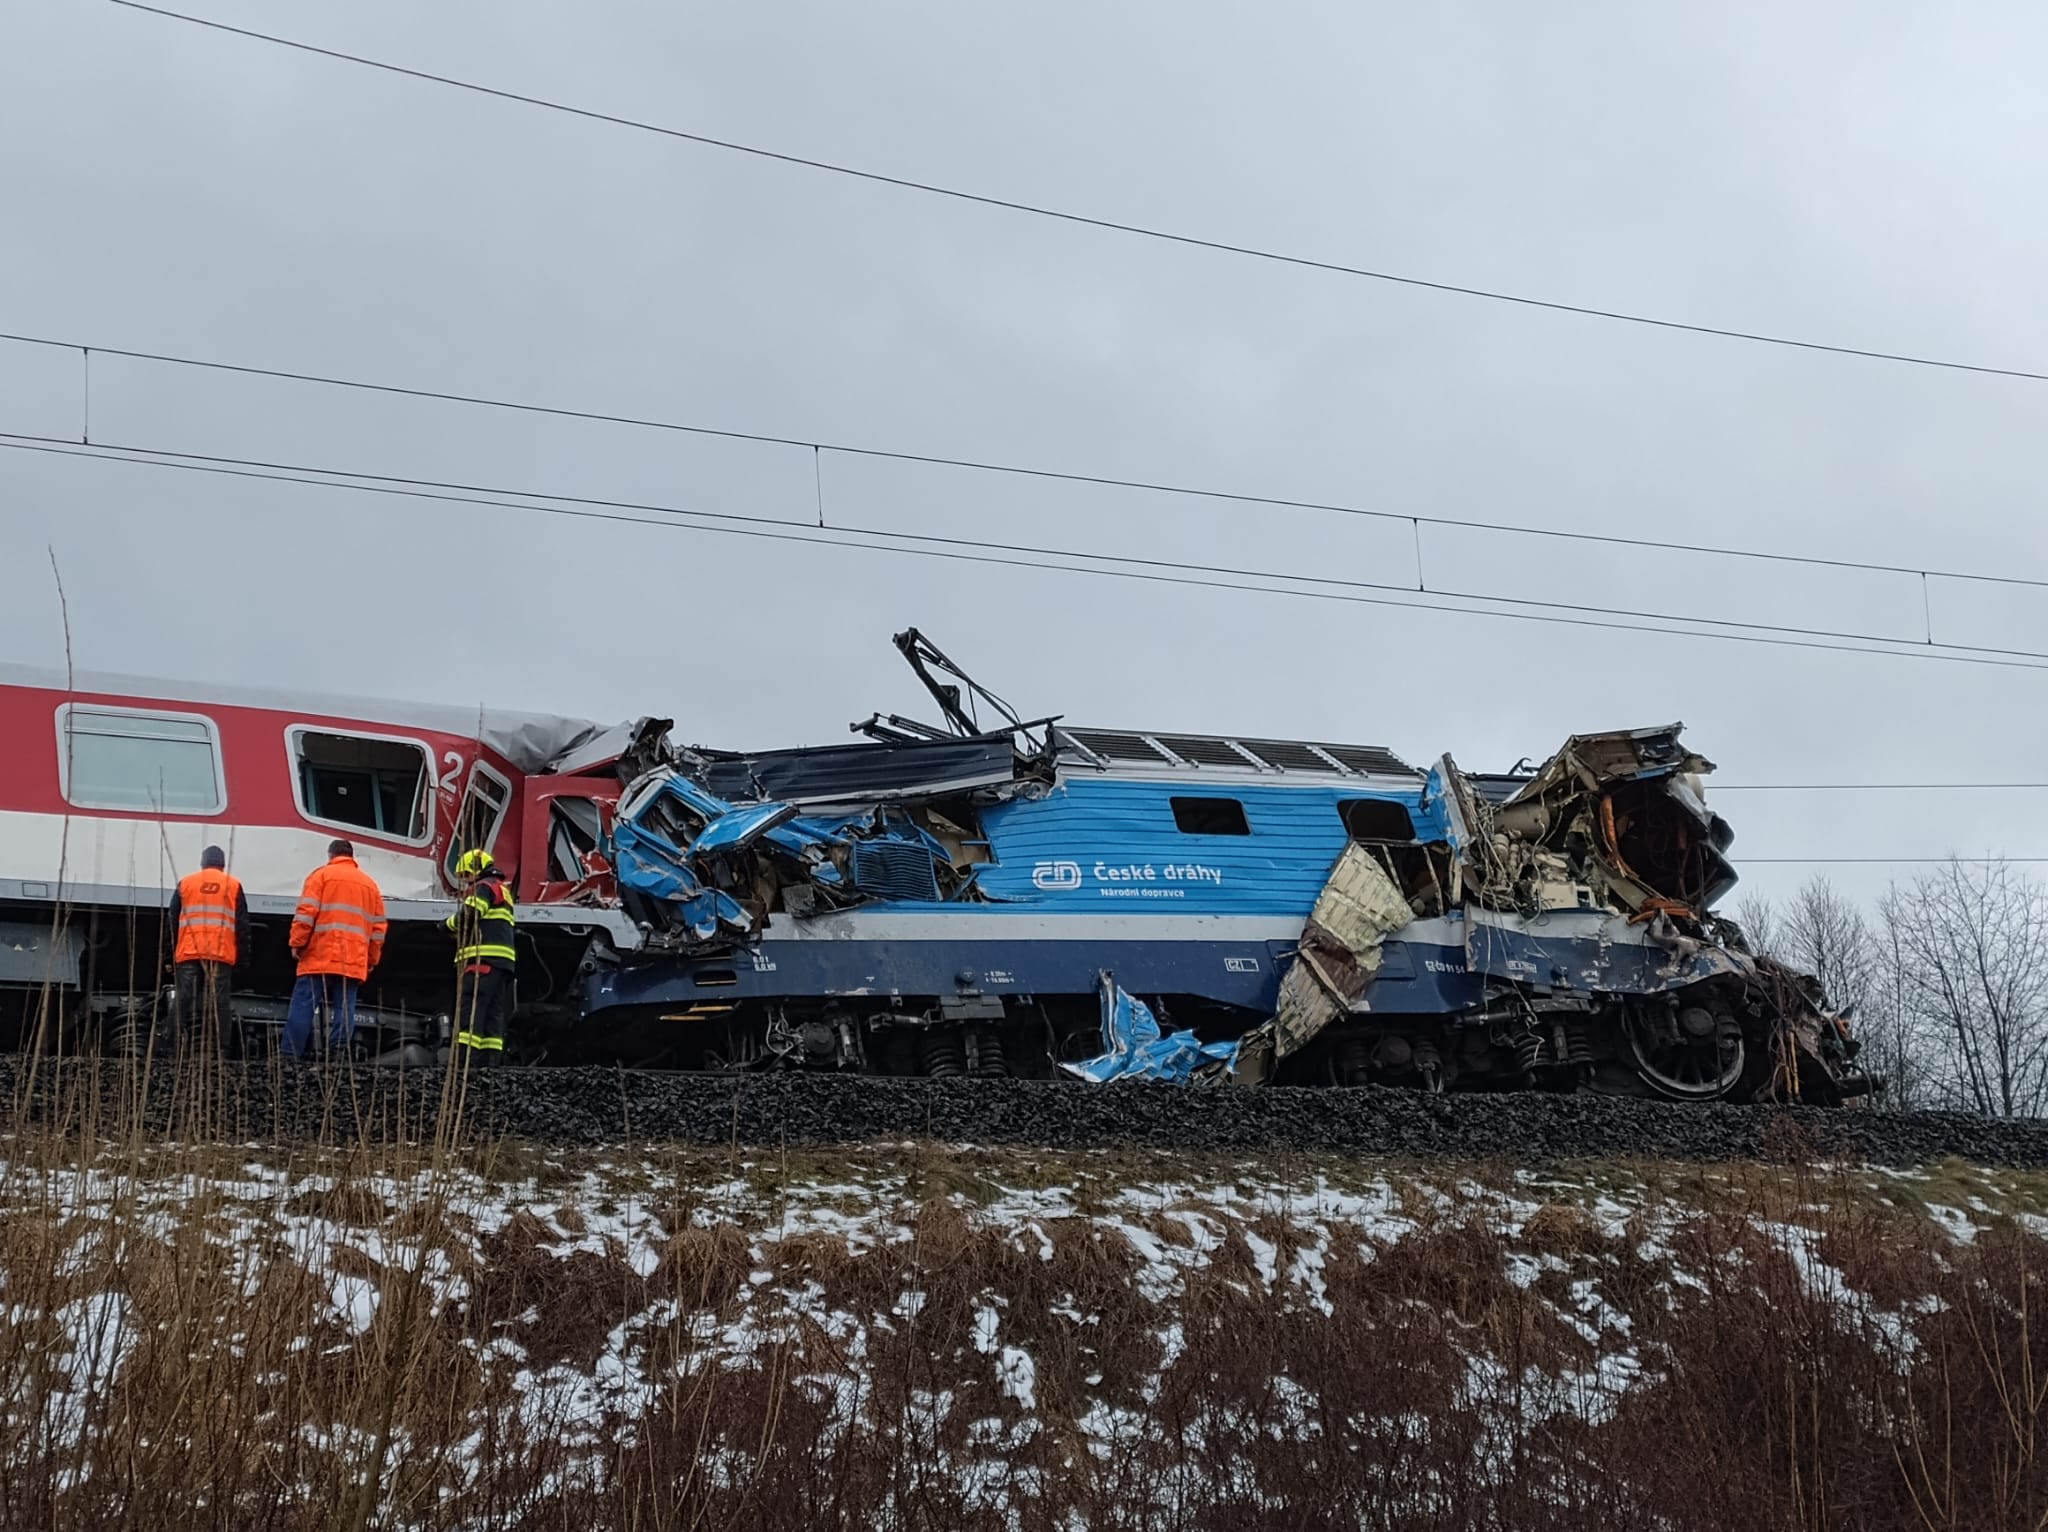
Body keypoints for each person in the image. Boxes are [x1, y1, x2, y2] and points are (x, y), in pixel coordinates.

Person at [282, 839, 387, 1058]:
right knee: (346, 1006)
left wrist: (297, 943)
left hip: (319, 953)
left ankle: (290, 1054)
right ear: (351, 856)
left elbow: (305, 914)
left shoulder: (320, 876)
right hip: (353, 957)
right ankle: (338, 1053)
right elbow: (378, 930)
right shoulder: (370, 886)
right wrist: (372, 959)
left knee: (304, 1004)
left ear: (331, 855)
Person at [169, 844, 250, 1055]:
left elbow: (172, 919)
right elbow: (242, 925)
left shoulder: (186, 883)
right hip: (220, 952)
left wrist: (169, 953)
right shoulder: (233, 885)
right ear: (222, 865)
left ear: (202, 863)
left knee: (184, 996)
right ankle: (221, 1048)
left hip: (189, 949)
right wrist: (243, 958)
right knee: (220, 1000)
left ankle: (170, 1044)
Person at [447, 848, 516, 1065]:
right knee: (493, 1015)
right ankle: (490, 1065)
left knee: (471, 1010)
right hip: (502, 963)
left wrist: (446, 925)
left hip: (482, 961)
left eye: (466, 875)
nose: (466, 881)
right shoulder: (503, 891)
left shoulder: (483, 888)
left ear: (475, 871)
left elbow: (469, 915)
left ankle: (465, 1064)